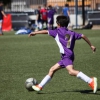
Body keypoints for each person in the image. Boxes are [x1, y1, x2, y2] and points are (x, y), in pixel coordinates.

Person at [28, 15, 97, 93]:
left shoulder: (57, 31)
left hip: (67, 56)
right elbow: (83, 36)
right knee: (52, 69)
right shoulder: (71, 32)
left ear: (58, 24)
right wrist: (91, 45)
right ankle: (40, 86)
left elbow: (46, 31)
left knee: (71, 71)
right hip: (68, 55)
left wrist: (35, 32)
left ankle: (90, 81)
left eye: (57, 23)